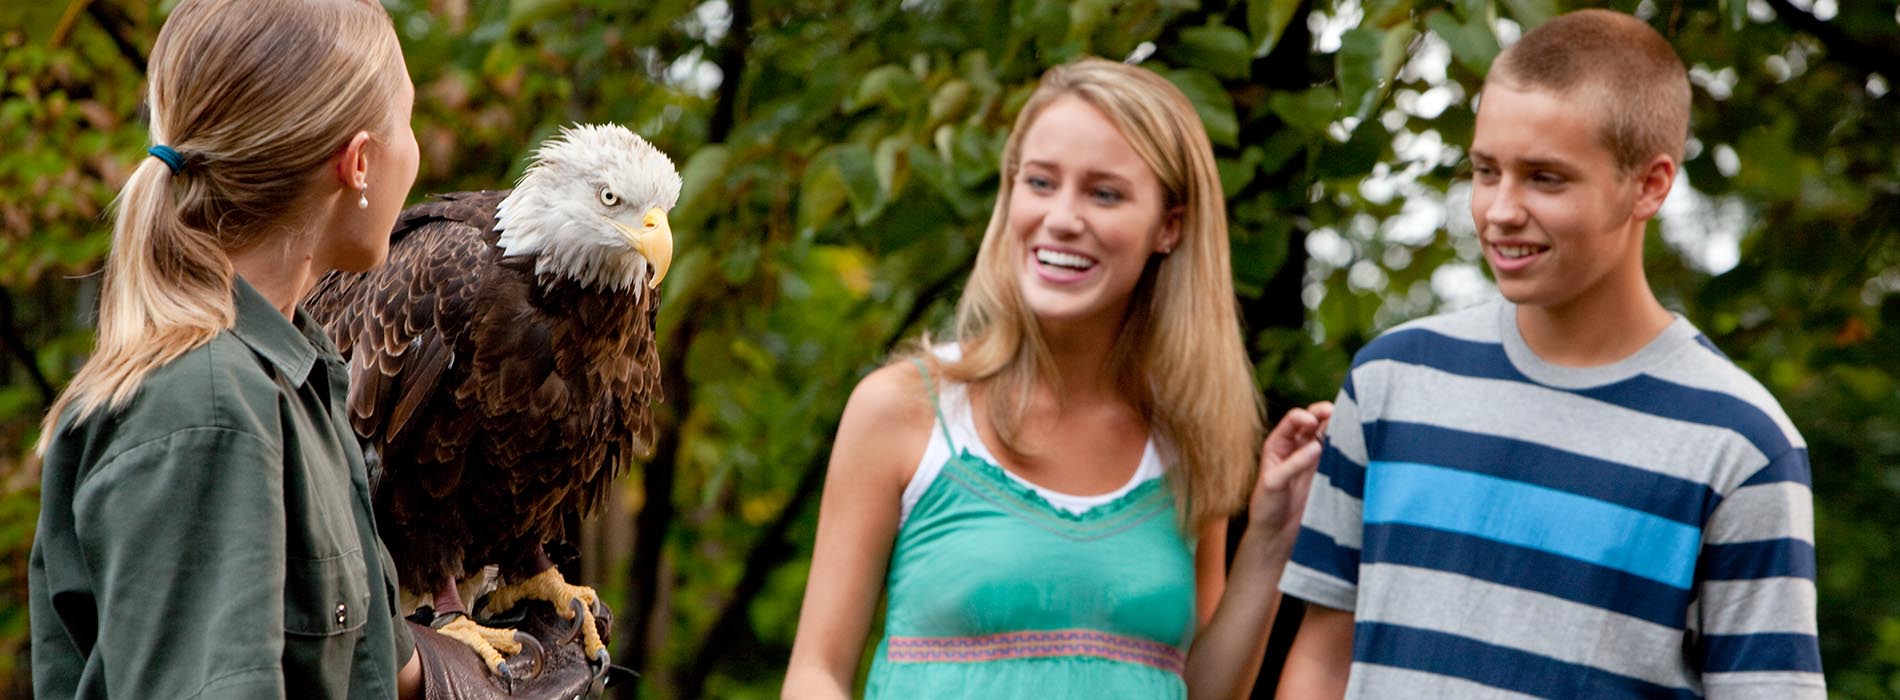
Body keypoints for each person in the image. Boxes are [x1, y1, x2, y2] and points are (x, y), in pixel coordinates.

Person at [1275, 10, 1824, 699]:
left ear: (1650, 185)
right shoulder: (1392, 380)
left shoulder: (1741, 445)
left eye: (1545, 178)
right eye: (1485, 170)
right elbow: (1324, 658)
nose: (1500, 210)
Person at [781, 57, 1331, 699]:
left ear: (1169, 226)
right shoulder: (902, 409)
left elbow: (1198, 690)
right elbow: (815, 674)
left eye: (1104, 193)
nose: (1063, 217)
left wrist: (1267, 539)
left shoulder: (1188, 439)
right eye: (1041, 182)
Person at [28, 0, 426, 697]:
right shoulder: (204, 409)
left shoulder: (296, 376)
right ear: (358, 163)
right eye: (409, 122)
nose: (415, 152)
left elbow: (360, 669)